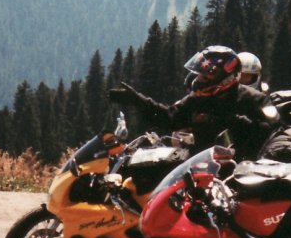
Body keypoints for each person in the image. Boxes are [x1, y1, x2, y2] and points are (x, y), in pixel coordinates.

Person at [108, 45, 280, 159]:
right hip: (199, 169)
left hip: (240, 171)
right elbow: (169, 117)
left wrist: (232, 121)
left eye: (205, 75)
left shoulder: (254, 99)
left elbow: (272, 133)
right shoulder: (198, 99)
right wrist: (137, 100)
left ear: (226, 79)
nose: (199, 79)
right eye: (199, 74)